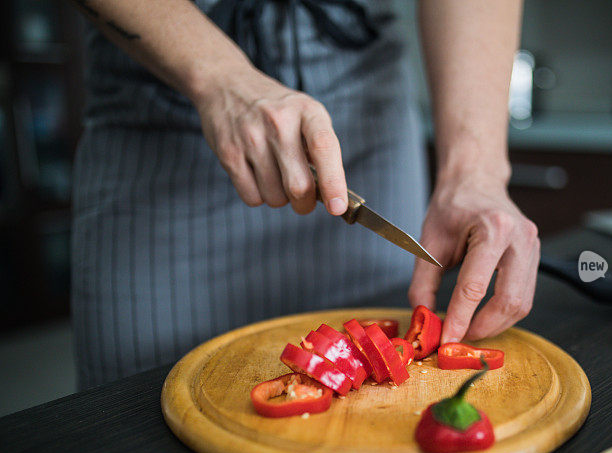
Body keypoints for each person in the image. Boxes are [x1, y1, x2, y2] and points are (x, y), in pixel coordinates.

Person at [69, 0, 540, 389]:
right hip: (162, 96)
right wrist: (219, 77)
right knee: (136, 412)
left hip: (366, 107)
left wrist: (474, 169)